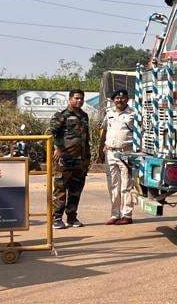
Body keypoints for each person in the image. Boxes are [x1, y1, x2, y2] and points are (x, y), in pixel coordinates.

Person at [50, 89, 91, 229]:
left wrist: (87, 158)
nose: (79, 101)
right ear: (70, 99)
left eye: (81, 99)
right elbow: (50, 133)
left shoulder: (84, 116)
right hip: (64, 160)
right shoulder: (61, 115)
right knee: (60, 190)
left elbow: (86, 139)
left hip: (80, 161)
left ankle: (72, 218)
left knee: (76, 190)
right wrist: (58, 148)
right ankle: (56, 219)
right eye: (76, 98)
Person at [99, 88, 136, 225]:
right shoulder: (109, 113)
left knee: (126, 185)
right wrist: (100, 150)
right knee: (113, 185)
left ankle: (127, 215)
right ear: (113, 100)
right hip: (110, 153)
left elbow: (141, 132)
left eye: (123, 98)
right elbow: (104, 131)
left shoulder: (134, 113)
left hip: (126, 153)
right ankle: (115, 214)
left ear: (127, 99)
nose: (120, 100)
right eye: (117, 98)